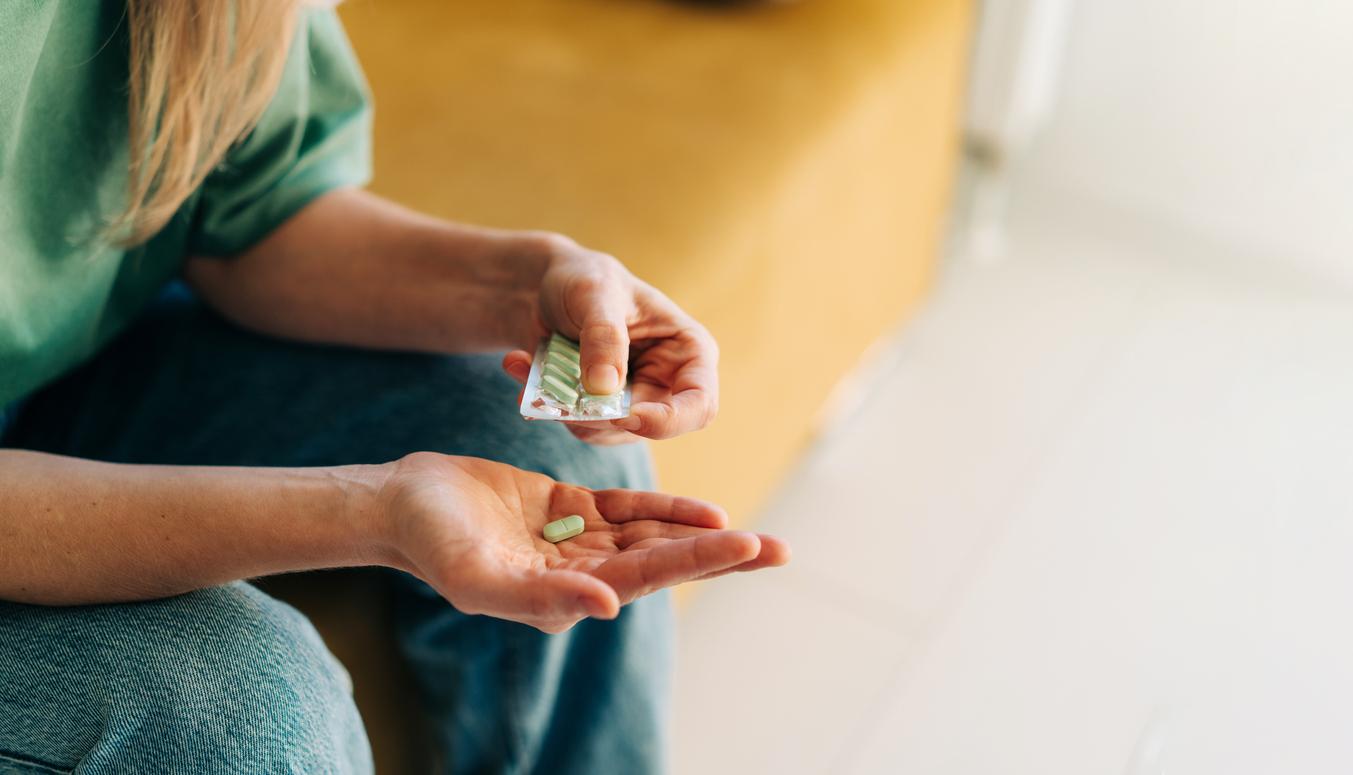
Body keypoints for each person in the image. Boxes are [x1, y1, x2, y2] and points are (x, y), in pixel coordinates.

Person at [0, 4, 789, 773]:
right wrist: (368, 507)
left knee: (543, 443)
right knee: (232, 708)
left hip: (70, 368)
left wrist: (532, 283)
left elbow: (254, 213)